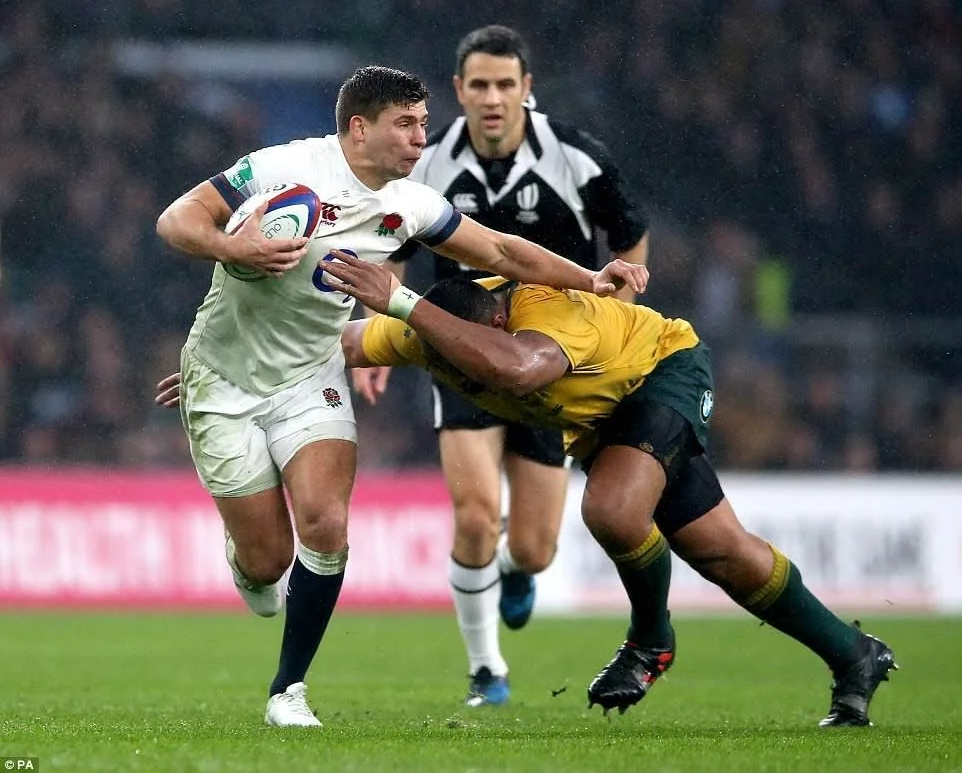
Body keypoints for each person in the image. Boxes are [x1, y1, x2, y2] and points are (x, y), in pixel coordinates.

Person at [154, 64, 648, 727]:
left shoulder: (409, 204)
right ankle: (248, 563)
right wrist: (230, 247)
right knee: (270, 562)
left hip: (312, 374)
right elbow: (175, 220)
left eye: (423, 124)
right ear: (360, 128)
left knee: (327, 525)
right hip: (223, 380)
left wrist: (590, 277)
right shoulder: (284, 168)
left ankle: (288, 691)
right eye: (406, 124)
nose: (421, 138)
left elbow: (501, 251)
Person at [313, 250, 899, 728]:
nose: (458, 373)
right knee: (723, 552)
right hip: (605, 422)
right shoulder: (424, 332)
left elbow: (518, 368)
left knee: (614, 510)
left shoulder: (545, 311)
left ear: (495, 324)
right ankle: (855, 656)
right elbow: (335, 344)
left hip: (662, 371)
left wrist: (403, 300)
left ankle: (650, 641)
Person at [351, 25, 650, 707]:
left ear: (526, 89)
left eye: (505, 85)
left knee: (537, 549)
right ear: (459, 90)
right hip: (461, 351)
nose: (492, 98)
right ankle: (486, 670)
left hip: (552, 361)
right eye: (480, 85)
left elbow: (629, 236)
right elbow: (391, 250)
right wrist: (375, 338)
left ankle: (513, 570)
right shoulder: (427, 162)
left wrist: (620, 316)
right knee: (477, 514)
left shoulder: (576, 158)